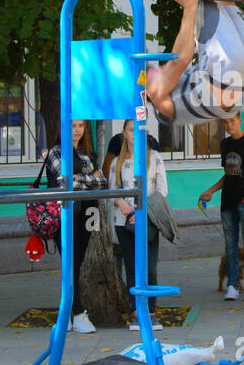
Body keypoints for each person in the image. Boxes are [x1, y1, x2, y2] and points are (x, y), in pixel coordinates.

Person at [43, 120, 107, 334]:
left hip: (88, 212)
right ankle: (77, 314)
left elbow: (103, 183)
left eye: (80, 126)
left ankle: (67, 315)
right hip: (63, 214)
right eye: (72, 126)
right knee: (69, 262)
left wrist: (82, 179)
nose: (77, 130)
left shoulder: (89, 152)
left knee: (76, 263)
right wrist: (90, 178)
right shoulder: (55, 152)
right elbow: (67, 182)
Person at [198, 112, 244, 302]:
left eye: (232, 121)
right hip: (227, 201)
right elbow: (228, 174)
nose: (229, 125)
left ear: (239, 120)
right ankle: (232, 285)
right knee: (230, 246)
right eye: (225, 122)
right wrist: (211, 191)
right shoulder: (225, 144)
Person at [111, 119, 168, 329]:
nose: (134, 133)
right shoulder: (117, 162)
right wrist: (120, 202)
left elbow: (162, 190)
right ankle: (136, 313)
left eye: (138, 130)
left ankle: (151, 312)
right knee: (133, 268)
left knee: (150, 267)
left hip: (148, 220)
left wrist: (143, 213)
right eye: (130, 130)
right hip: (123, 221)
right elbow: (112, 190)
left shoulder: (154, 157)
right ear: (124, 134)